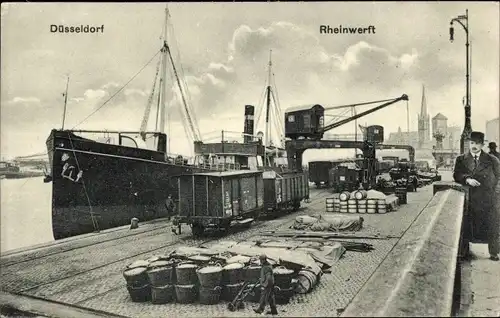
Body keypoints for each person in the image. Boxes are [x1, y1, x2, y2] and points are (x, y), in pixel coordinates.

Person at [453, 131, 500, 261]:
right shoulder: (461, 159)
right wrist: (467, 179)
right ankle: (463, 251)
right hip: (470, 198)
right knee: (466, 224)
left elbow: (499, 177)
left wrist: (496, 195)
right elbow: (457, 174)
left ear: (482, 144)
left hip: (488, 198)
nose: (474, 146)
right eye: (472, 143)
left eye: (477, 143)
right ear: (469, 143)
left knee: (492, 225)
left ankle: (494, 252)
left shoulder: (492, 160)